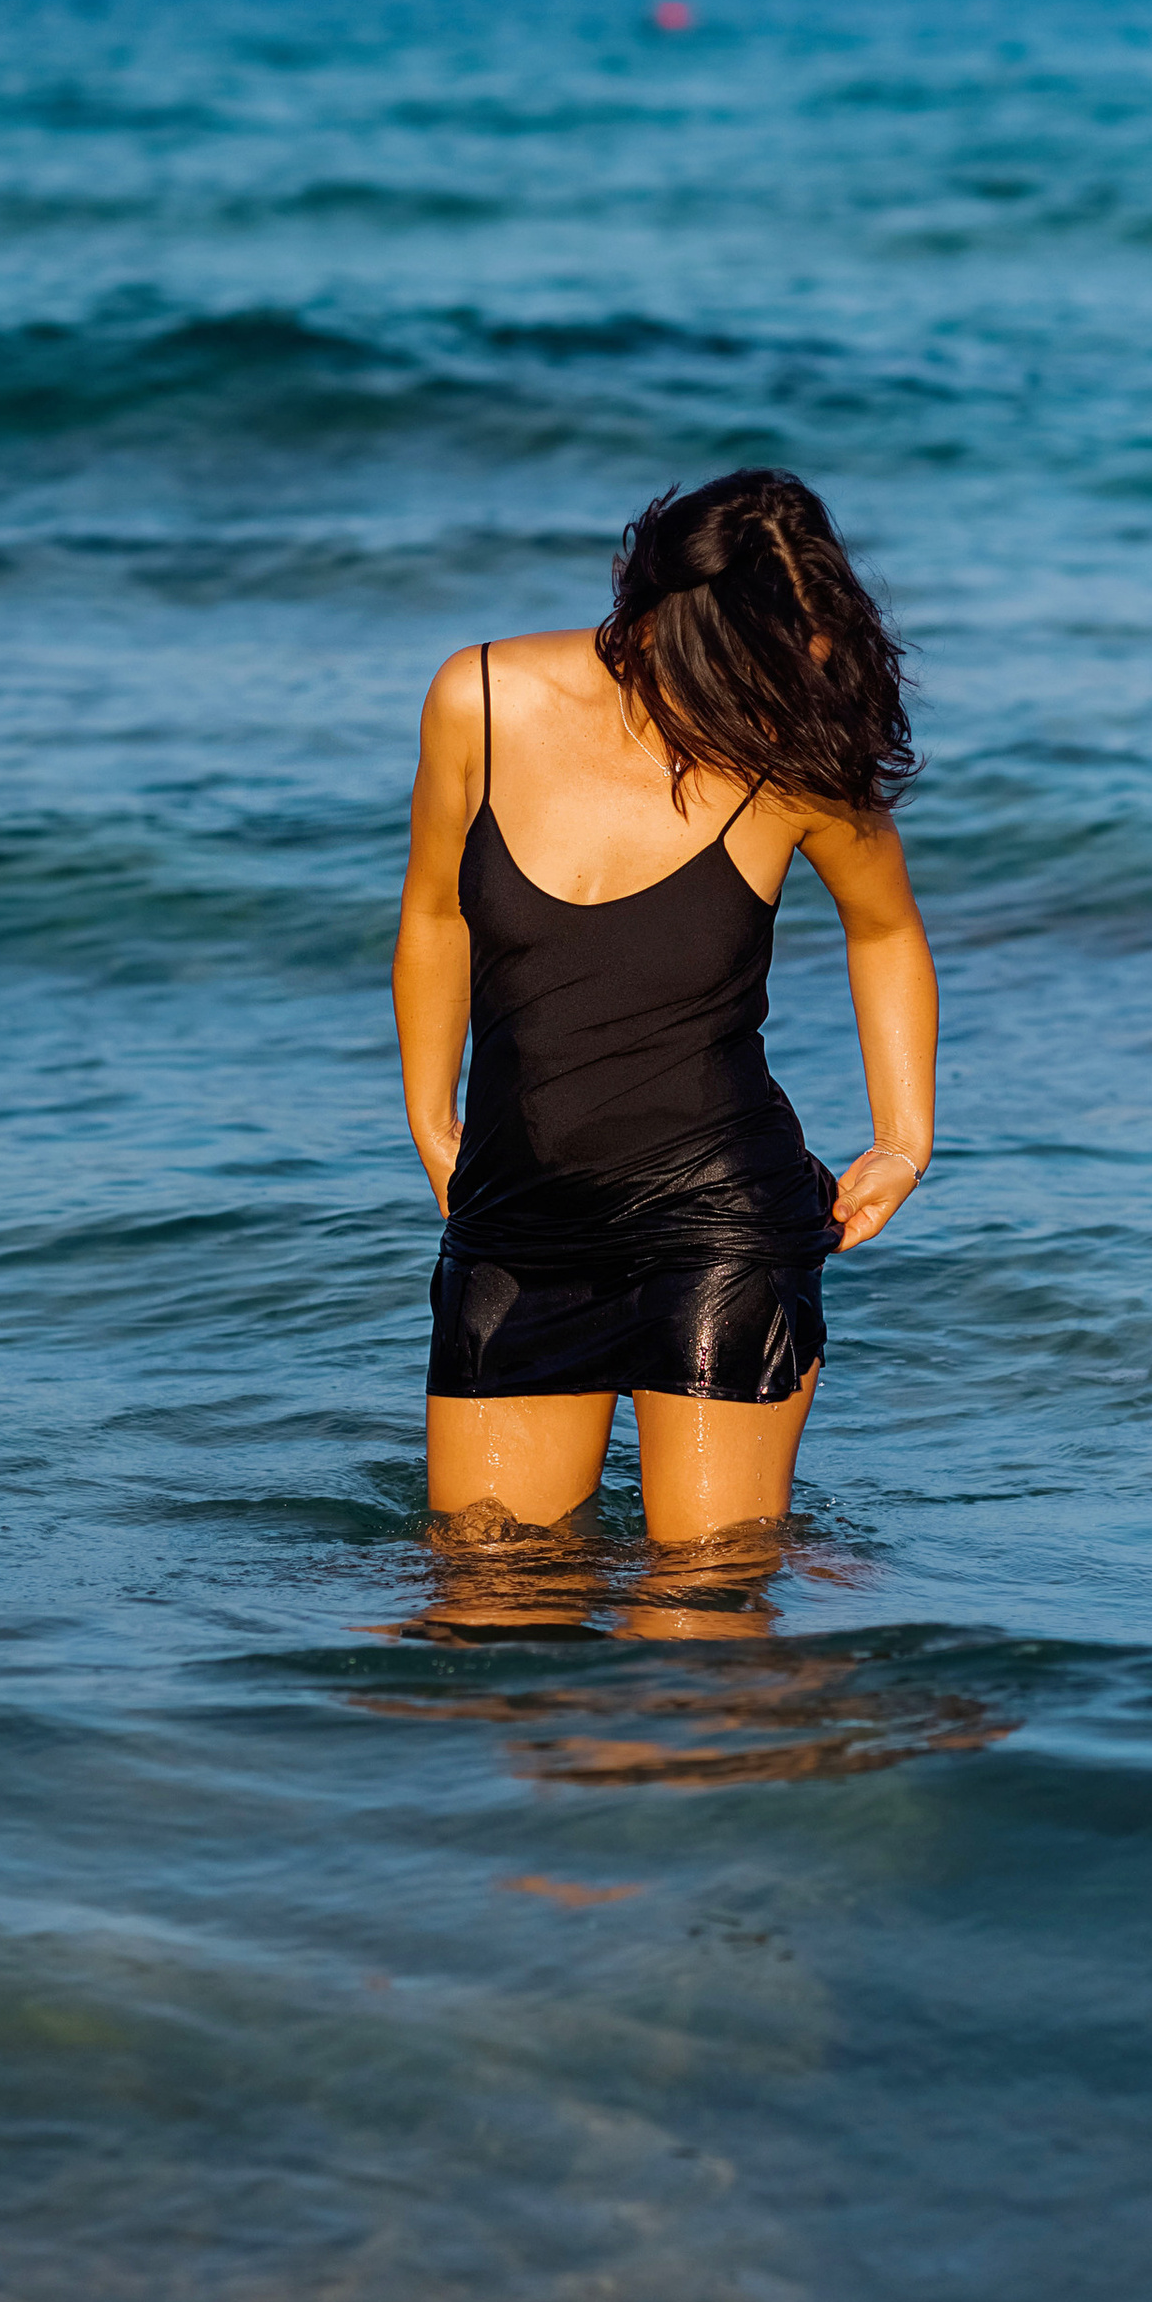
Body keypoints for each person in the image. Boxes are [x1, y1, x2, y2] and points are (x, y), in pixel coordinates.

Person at [392, 470, 937, 1547]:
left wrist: (904, 1141)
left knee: (703, 1614)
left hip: (721, 1225)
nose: (776, 678)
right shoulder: (483, 698)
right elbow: (431, 916)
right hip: (516, 1219)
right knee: (487, 1596)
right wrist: (428, 1115)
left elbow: (885, 930)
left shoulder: (788, 756)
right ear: (654, 616)